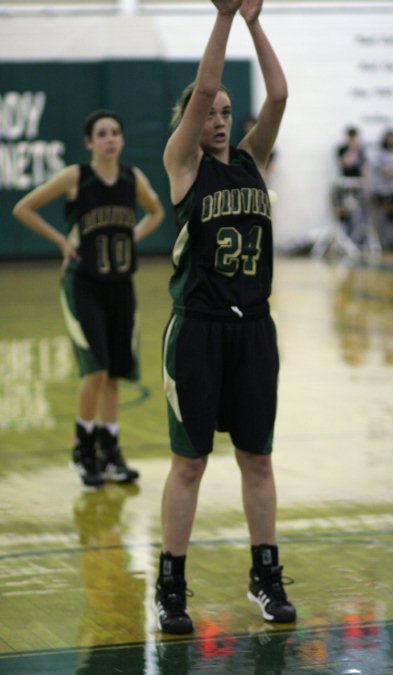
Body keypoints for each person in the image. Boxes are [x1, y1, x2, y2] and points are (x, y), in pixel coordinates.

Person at [155, 0, 295, 635]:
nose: (217, 116)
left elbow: (281, 95)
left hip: (253, 331)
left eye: (225, 113)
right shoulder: (183, 165)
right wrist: (223, 15)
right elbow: (207, 81)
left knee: (257, 459)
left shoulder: (251, 161)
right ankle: (170, 587)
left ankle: (265, 576)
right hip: (198, 330)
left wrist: (255, 22)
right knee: (190, 464)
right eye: (207, 112)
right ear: (189, 118)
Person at [13, 109, 164, 489]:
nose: (110, 138)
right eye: (102, 133)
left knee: (114, 372)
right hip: (83, 285)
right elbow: (23, 208)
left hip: (120, 285)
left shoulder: (133, 178)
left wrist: (133, 238)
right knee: (95, 369)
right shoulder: (75, 177)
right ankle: (82, 450)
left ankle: (110, 453)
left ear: (122, 140)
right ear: (89, 142)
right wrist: (62, 241)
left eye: (116, 132)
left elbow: (157, 211)